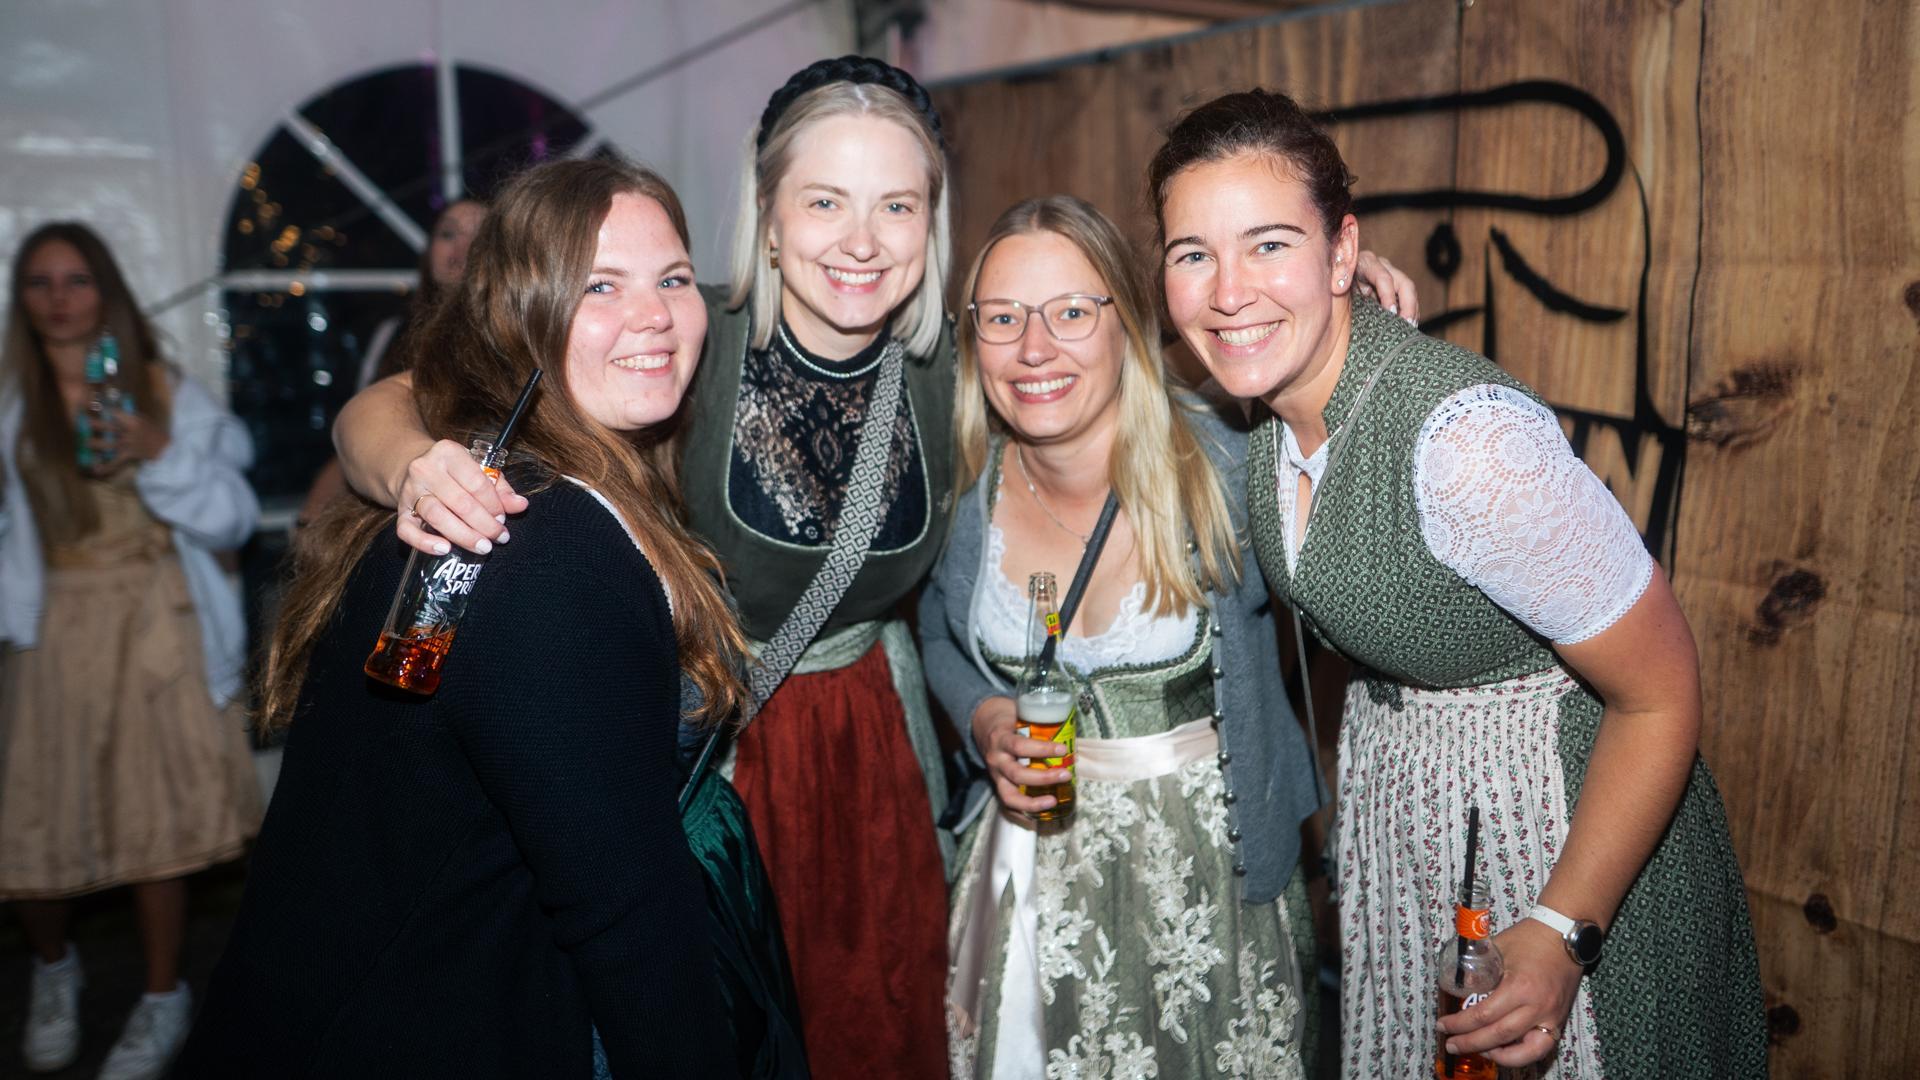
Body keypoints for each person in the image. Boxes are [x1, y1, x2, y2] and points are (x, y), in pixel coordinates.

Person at [329, 58, 1419, 1077]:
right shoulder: (676, 338)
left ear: (930, 225)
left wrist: (1323, 291)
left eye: (897, 205)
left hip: (880, 765)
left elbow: (1123, 345)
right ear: (767, 213)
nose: (862, 240)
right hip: (707, 765)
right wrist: (416, 467)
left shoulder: (960, 364)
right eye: (825, 202)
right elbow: (391, 402)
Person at [1149, 89, 1767, 1078]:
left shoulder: (1465, 443)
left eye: (1270, 244)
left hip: (1565, 834)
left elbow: (1659, 692)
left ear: (1342, 252)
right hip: (1420, 834)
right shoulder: (1253, 411)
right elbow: (1079, 366)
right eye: (1193, 254)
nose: (1228, 291)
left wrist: (1564, 930)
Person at [175, 158, 743, 1078]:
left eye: (673, 278)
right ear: (518, 314)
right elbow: (622, 909)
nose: (655, 315)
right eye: (599, 285)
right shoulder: (539, 542)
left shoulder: (517, 475)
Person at [922, 194, 1330, 1078]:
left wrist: (1352, 302)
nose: (1035, 349)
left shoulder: (1227, 463)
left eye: (1072, 312)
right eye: (1003, 318)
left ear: (1128, 324)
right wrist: (984, 715)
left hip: (1207, 884)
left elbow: (1329, 388)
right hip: (1025, 884)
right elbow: (936, 634)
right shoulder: (965, 488)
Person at [0, 222, 262, 1080]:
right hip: (53, 627)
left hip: (155, 618)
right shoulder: (10, 394)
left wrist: (162, 450)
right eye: (41, 282)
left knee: (157, 822)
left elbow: (229, 516)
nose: (60, 298)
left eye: (77, 280)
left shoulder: (160, 388)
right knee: (30, 823)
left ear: (106, 289)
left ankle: (159, 995)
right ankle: (53, 969)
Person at [298, 197, 487, 525]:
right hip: (389, 512)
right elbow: (359, 428)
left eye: (480, 234)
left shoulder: (516, 336)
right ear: (428, 252)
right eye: (447, 234)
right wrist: (310, 519)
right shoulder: (392, 333)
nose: (462, 246)